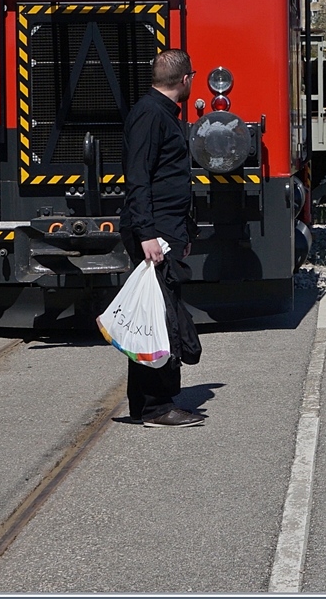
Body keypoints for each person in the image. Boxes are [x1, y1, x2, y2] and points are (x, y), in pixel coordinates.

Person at [119, 48, 205, 428]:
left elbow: (170, 178)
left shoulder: (162, 114)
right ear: (185, 79)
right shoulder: (150, 115)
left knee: (155, 316)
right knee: (162, 321)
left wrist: (183, 230)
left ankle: (145, 404)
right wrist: (148, 234)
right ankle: (157, 407)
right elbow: (137, 176)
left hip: (166, 230)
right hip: (153, 233)